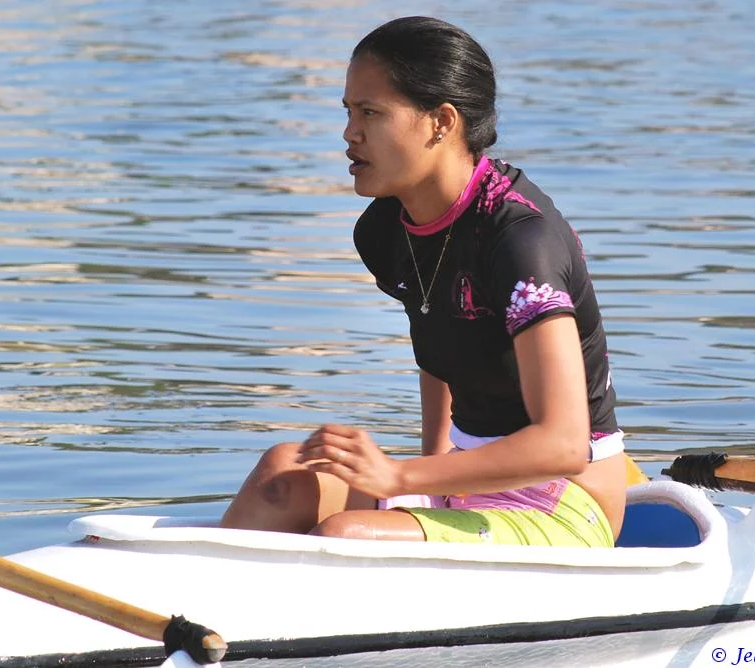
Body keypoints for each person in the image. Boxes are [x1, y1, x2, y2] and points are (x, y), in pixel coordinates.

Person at [220, 16, 632, 547]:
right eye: (348, 112)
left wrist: (401, 478)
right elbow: (443, 341)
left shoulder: (520, 241)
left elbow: (563, 444)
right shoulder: (385, 228)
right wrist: (433, 469)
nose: (350, 133)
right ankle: (180, 611)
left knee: (349, 534)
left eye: (371, 113)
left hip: (565, 498)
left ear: (441, 121)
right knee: (283, 473)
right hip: (467, 476)